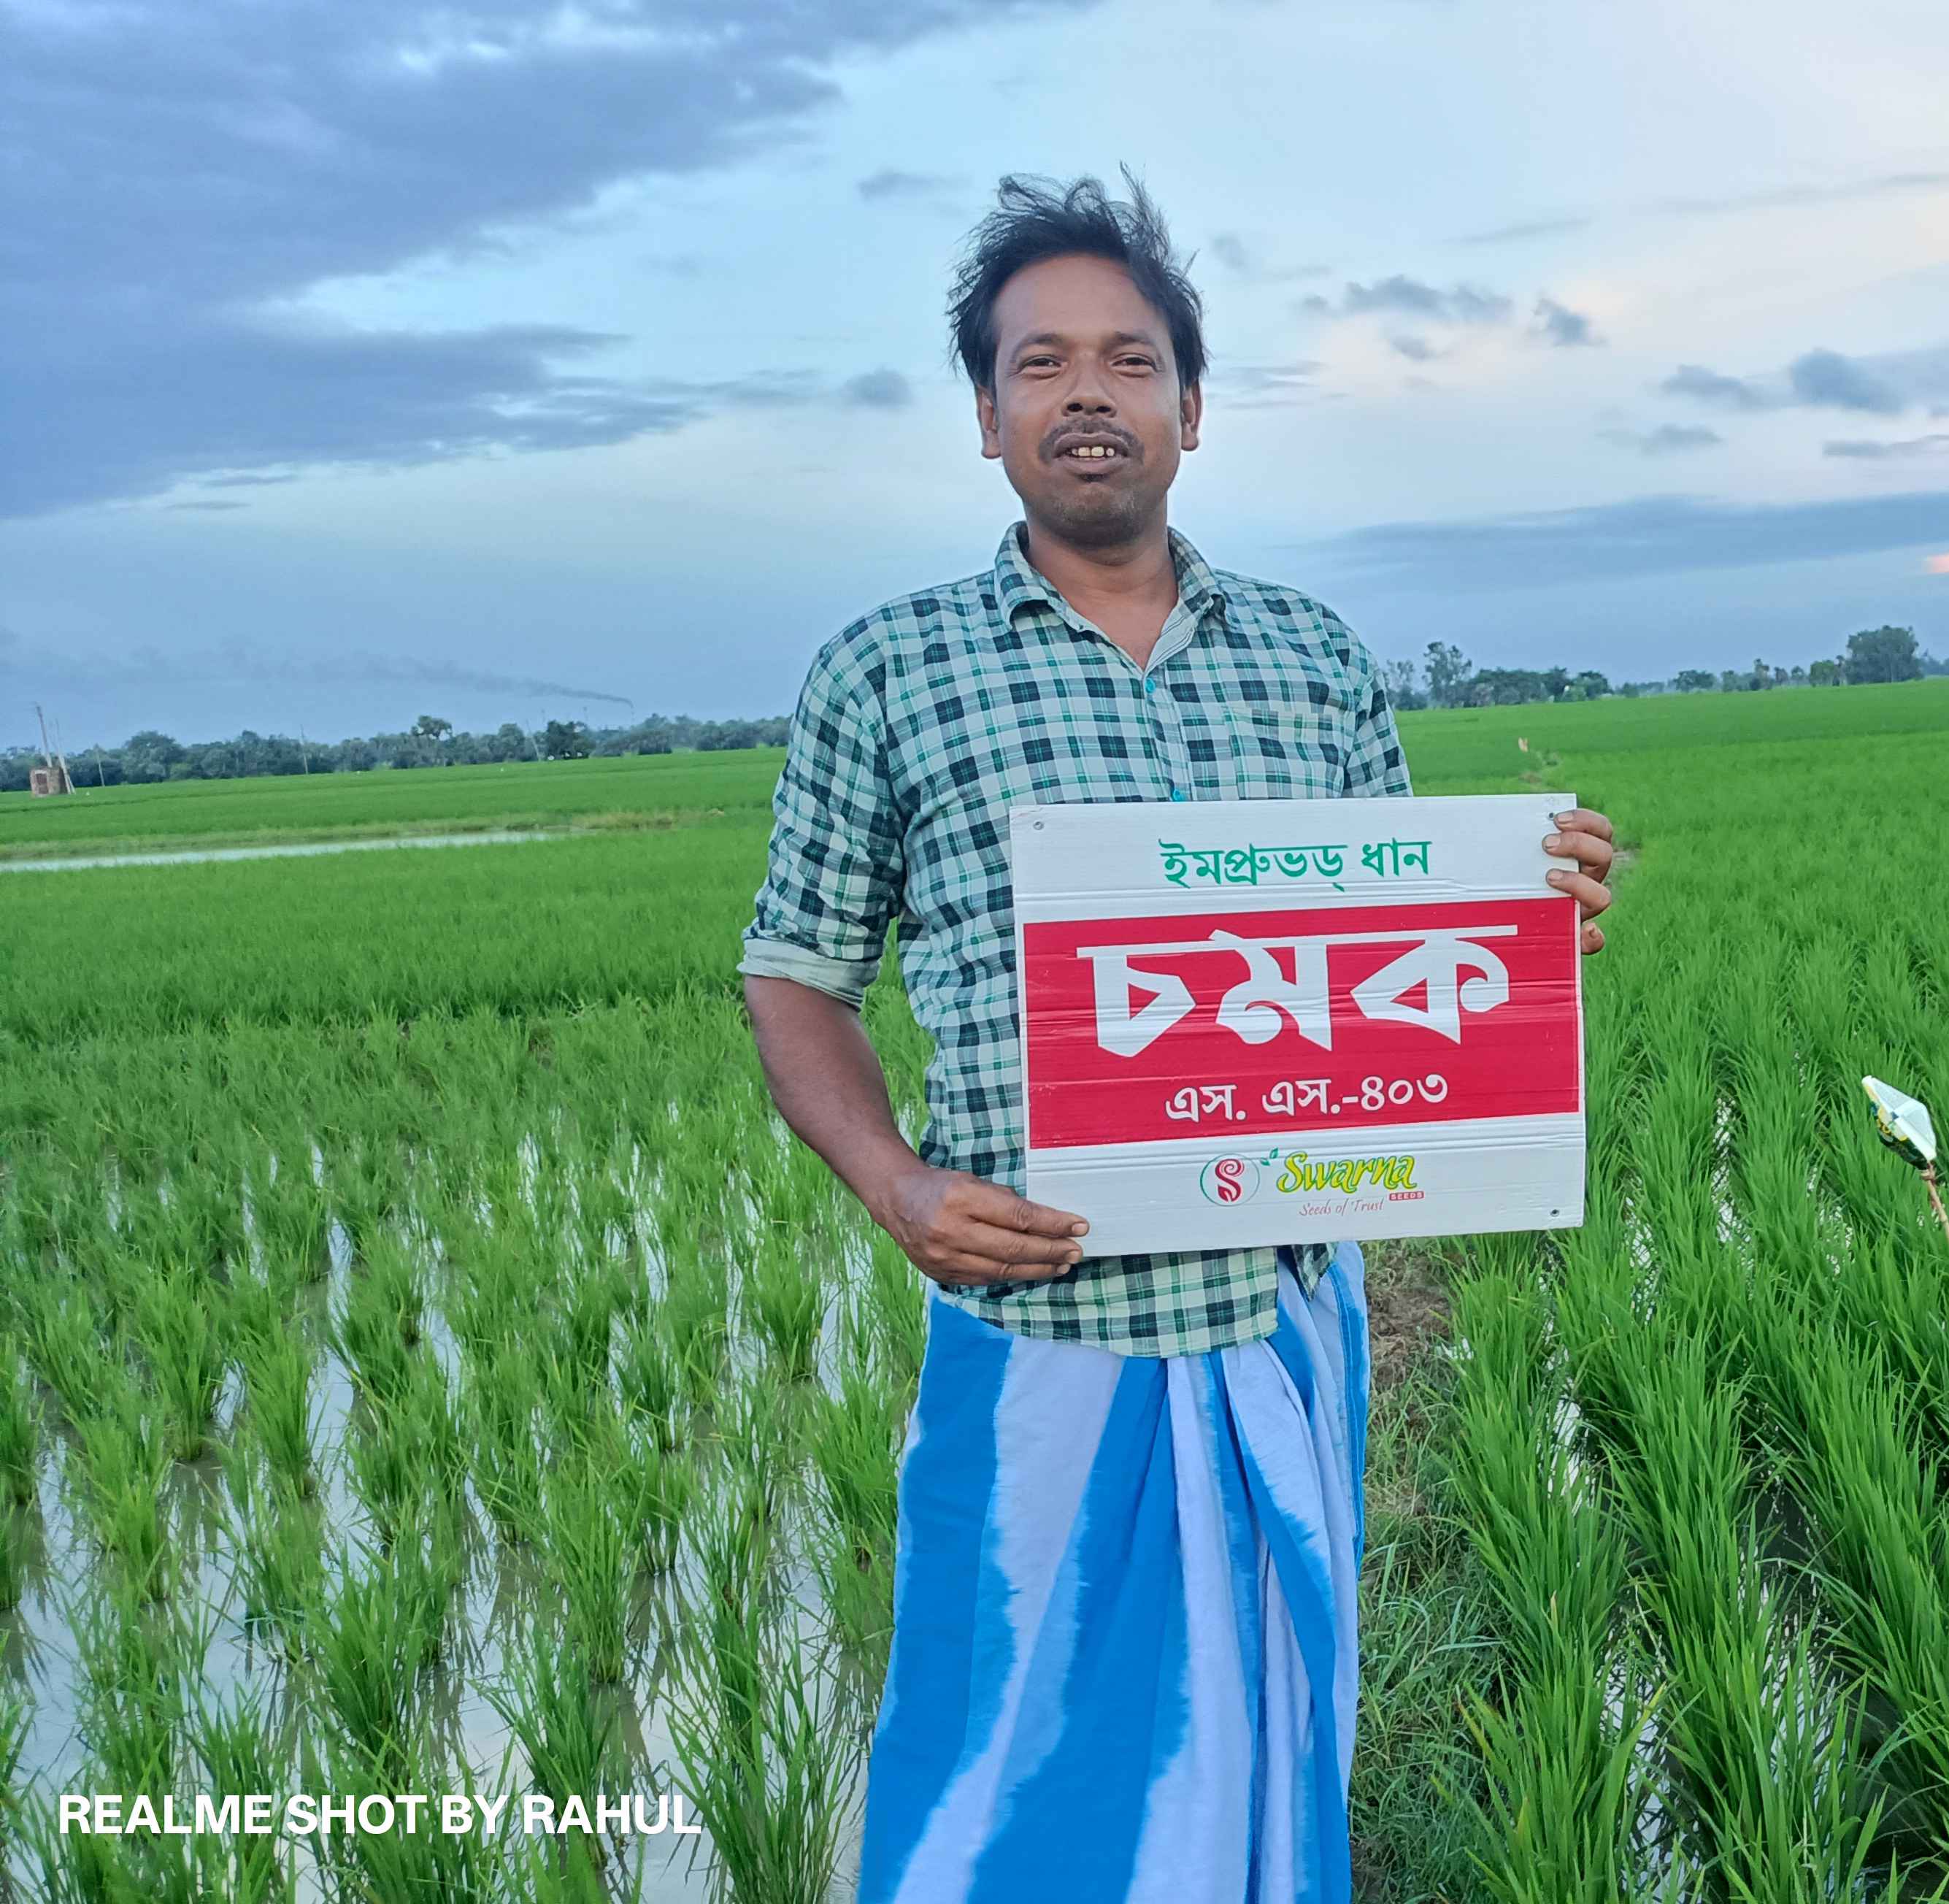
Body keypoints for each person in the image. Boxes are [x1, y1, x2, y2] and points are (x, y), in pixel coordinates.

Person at [737, 169, 1618, 1903]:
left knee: (1274, 1741)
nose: (1087, 393)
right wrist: (895, 1182)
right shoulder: (888, 671)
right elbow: (794, 974)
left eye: (1128, 360)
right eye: (1040, 362)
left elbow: (1396, 952)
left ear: (1191, 409)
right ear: (985, 416)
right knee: (1004, 1764)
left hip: (1281, 1324)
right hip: (1042, 1329)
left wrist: (1529, 918)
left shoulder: (1309, 655)